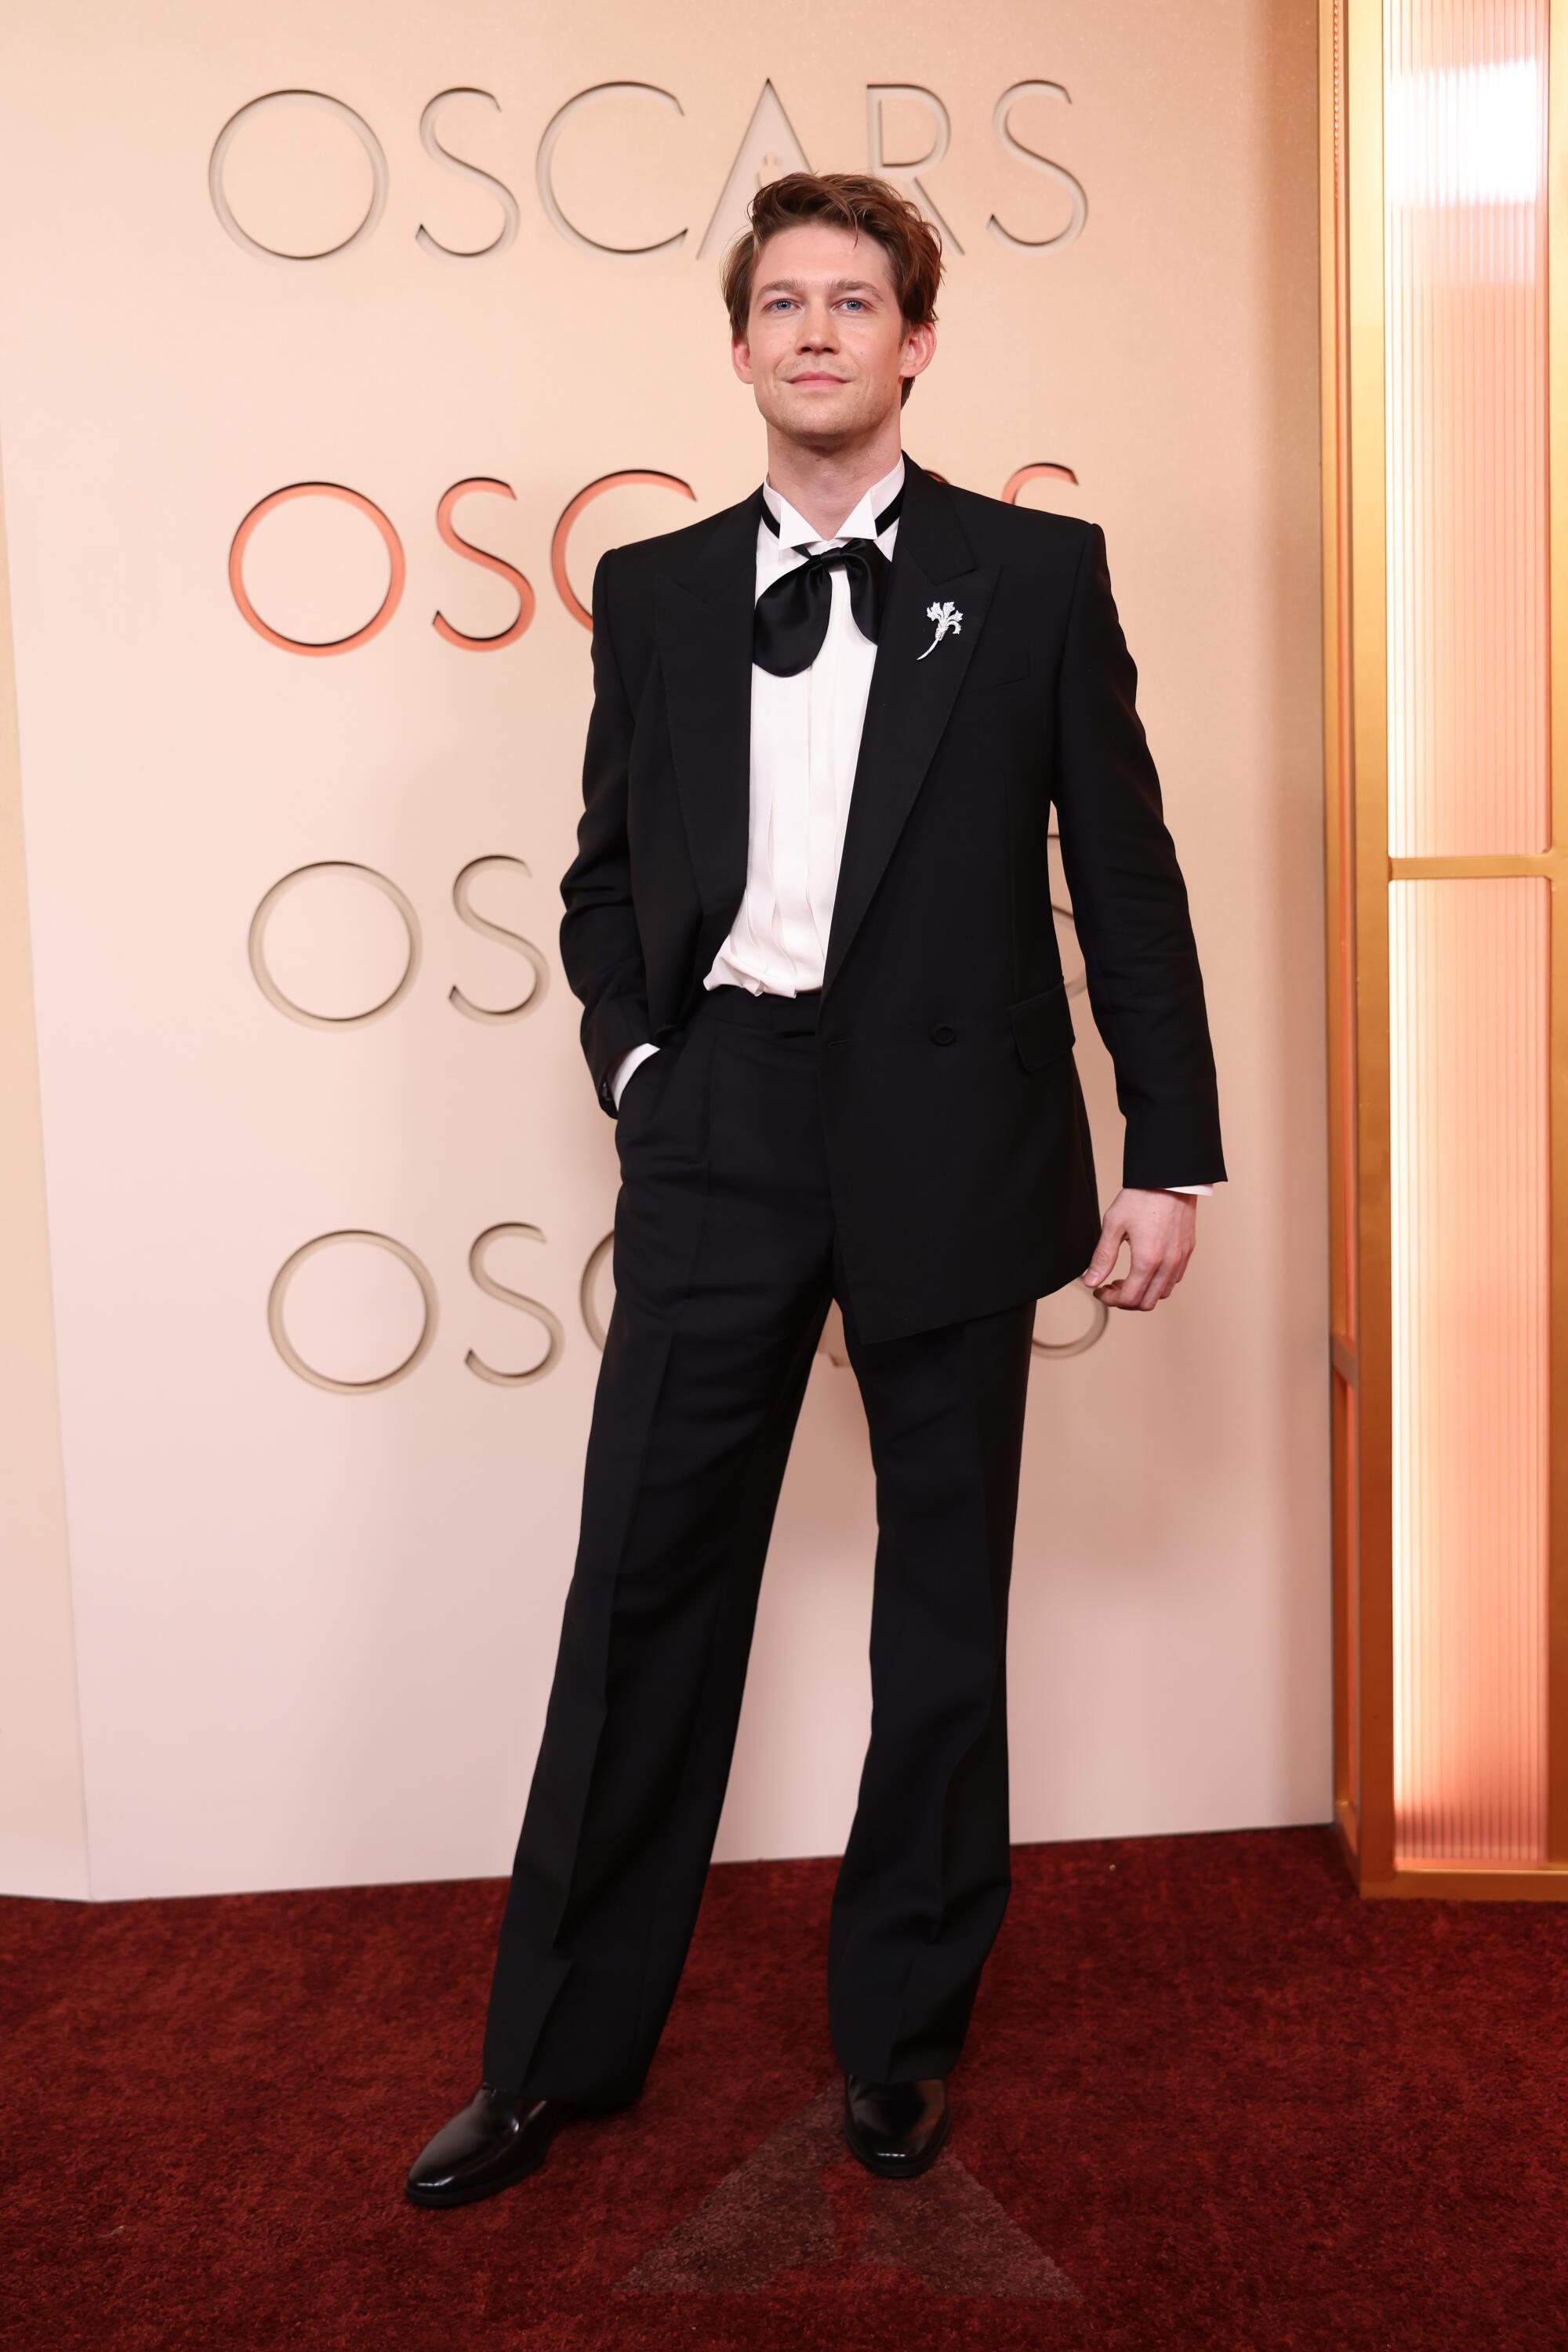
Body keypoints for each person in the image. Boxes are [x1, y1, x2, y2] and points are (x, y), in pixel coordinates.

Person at [405, 169, 1225, 2209]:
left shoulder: (1036, 576)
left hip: (960, 1130)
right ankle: (553, 2063)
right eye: (784, 301)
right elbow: (607, 876)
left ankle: (901, 2041)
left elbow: (1120, 873)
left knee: (942, 1610)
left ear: (916, 344)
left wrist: (1173, 1146)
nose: (819, 331)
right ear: (745, 343)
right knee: (643, 1599)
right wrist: (646, 1065)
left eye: (857, 301)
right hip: (729, 1127)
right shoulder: (666, 590)